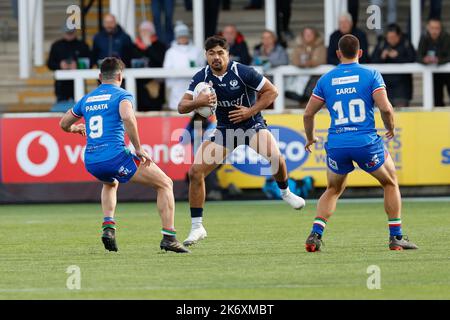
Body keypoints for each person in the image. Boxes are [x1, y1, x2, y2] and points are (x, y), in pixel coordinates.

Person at [178, 36, 306, 246]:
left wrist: (250, 111)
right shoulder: (202, 77)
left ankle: (285, 192)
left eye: (220, 53)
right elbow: (181, 107)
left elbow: (271, 92)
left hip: (251, 125)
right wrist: (198, 101)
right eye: (212, 53)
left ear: (227, 54)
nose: (216, 57)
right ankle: (197, 226)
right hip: (225, 130)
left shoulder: (243, 71)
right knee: (195, 172)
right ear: (206, 56)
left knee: (275, 158)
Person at [59, 57, 189, 254]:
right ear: (120, 76)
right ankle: (169, 237)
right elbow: (127, 116)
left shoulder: (87, 99)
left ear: (100, 77)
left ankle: (108, 227)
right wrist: (138, 147)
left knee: (110, 183)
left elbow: (63, 124)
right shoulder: (122, 95)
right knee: (165, 184)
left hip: (92, 160)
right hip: (115, 156)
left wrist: (76, 129)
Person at [302, 34, 418, 252]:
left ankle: (315, 234)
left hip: (337, 143)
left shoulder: (326, 79)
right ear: (360, 52)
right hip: (365, 142)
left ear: (338, 54)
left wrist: (310, 138)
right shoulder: (371, 74)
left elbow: (308, 114)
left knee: (333, 189)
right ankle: (396, 237)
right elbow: (385, 108)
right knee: (390, 182)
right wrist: (390, 127)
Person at [371, 23, 416, 107]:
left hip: (402, 88)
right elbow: (372, 61)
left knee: (401, 115)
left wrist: (397, 56)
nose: (390, 40)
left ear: (399, 36)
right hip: (385, 87)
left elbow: (413, 59)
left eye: (393, 37)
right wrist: (382, 57)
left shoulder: (406, 44)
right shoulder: (382, 44)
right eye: (389, 38)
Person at [163, 21, 204, 110]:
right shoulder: (170, 52)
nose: (182, 38)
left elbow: (202, 67)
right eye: (180, 36)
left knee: (196, 118)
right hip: (177, 88)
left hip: (193, 87)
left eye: (184, 36)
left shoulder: (196, 50)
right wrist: (170, 86)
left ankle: (196, 124)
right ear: (176, 37)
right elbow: (166, 71)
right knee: (178, 110)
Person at [47, 25, 91, 103]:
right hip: (61, 86)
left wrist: (78, 65)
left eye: (71, 33)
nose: (69, 35)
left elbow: (90, 62)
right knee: (62, 109)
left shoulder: (82, 45)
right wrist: (60, 65)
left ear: (75, 32)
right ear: (63, 33)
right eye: (67, 33)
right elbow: (50, 64)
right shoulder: (56, 46)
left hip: (78, 85)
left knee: (80, 109)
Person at [132, 21, 167, 111]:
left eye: (146, 31)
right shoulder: (134, 46)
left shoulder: (160, 46)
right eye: (141, 31)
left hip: (155, 84)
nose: (143, 33)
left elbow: (161, 61)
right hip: (139, 86)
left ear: (152, 32)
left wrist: (149, 46)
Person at [287, 27, 326, 103]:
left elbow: (320, 60)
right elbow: (294, 60)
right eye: (306, 34)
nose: (308, 36)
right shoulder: (298, 47)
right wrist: (302, 64)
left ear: (315, 35)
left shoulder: (321, 47)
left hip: (315, 78)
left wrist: (309, 63)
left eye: (310, 34)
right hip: (299, 78)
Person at [417, 18, 450, 107]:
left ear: (440, 28)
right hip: (434, 74)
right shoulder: (424, 38)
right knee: (437, 98)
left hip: (447, 73)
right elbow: (418, 56)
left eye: (437, 28)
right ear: (428, 28)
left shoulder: (446, 37)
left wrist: (438, 60)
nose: (434, 31)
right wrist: (424, 60)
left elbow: (448, 56)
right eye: (432, 28)